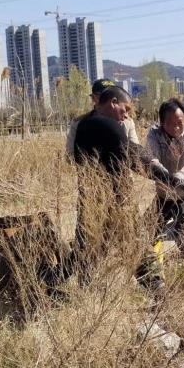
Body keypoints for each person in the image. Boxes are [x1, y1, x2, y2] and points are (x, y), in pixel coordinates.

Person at [72, 85, 169, 288]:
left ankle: (67, 286)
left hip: (90, 201)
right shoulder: (105, 124)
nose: (126, 116)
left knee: (86, 253)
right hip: (117, 201)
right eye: (125, 109)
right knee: (138, 247)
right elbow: (131, 153)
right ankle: (156, 288)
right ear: (113, 102)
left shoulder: (85, 124)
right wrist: (160, 173)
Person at [145, 98, 184, 251]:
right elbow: (152, 158)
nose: (176, 127)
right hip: (164, 195)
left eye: (180, 122)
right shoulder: (154, 134)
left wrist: (180, 175)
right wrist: (163, 174)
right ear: (162, 123)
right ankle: (154, 262)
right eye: (170, 123)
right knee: (148, 230)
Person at [66, 79, 139, 161]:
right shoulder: (79, 122)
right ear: (93, 98)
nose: (107, 97)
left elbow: (136, 152)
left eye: (110, 93)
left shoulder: (127, 122)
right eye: (102, 94)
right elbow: (71, 155)